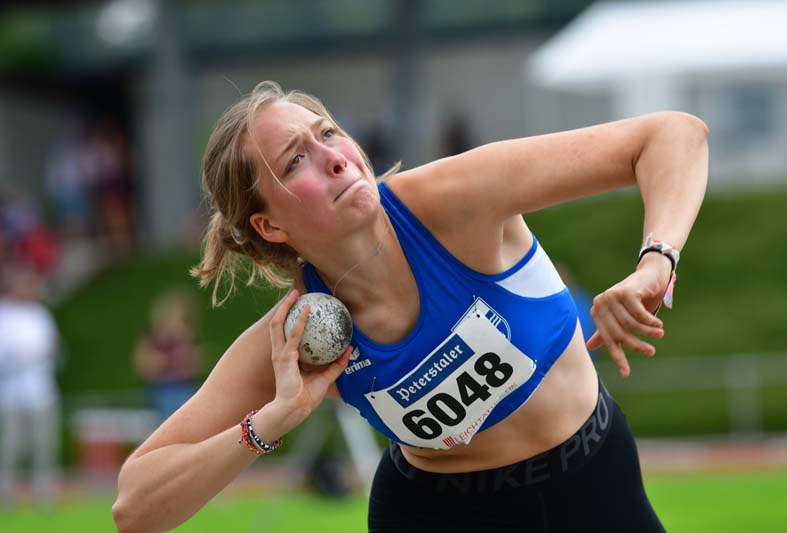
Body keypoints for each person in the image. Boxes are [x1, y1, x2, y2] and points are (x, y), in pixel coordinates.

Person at [113, 81, 708, 532]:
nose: (335, 156)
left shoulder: (453, 202)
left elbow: (672, 135)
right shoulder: (300, 337)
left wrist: (656, 263)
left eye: (327, 133)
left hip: (594, 483)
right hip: (438, 515)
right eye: (295, 161)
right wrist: (270, 423)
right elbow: (135, 508)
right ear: (268, 224)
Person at [0, 265, 62, 505]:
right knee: (12, 444)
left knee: (44, 444)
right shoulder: (4, 314)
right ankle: (6, 491)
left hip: (42, 391)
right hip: (11, 392)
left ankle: (44, 491)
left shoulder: (40, 314)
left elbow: (53, 345)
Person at [133, 287, 203, 422]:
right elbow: (146, 364)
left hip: (183, 386)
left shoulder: (185, 338)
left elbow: (193, 364)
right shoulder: (153, 337)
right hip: (163, 388)